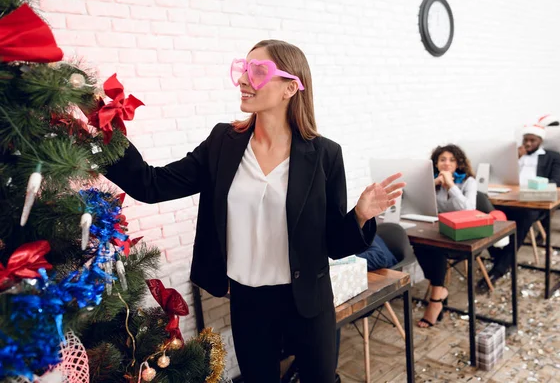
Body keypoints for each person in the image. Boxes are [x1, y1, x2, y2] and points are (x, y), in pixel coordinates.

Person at [102, 40, 404, 383]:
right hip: (248, 302)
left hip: (307, 302)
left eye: (257, 72)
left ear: (291, 87)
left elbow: (334, 243)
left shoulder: (324, 154)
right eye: (243, 70)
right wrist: (102, 131)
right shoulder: (222, 143)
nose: (244, 80)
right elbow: (151, 185)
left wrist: (360, 216)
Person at [480, 124, 560, 292]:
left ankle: (498, 269)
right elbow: (498, 176)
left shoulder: (552, 157)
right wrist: (515, 157)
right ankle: (501, 257)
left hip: (532, 204)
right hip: (509, 200)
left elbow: (556, 182)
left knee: (522, 221)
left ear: (540, 141)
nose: (528, 143)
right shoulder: (514, 156)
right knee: (486, 215)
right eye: (526, 140)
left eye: (532, 140)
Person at [413, 144, 477, 327]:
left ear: (459, 163)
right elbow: (416, 203)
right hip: (439, 232)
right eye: (442, 159)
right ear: (436, 163)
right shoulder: (432, 181)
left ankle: (435, 300)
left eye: (451, 160)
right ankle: (439, 291)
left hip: (462, 236)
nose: (447, 163)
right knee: (420, 244)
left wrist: (450, 186)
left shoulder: (468, 182)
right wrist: (431, 185)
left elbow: (469, 210)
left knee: (437, 249)